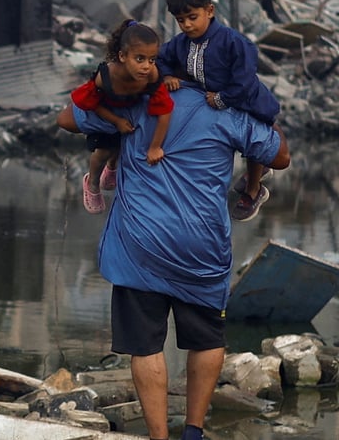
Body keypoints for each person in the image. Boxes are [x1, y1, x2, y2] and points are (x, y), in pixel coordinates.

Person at [55, 85, 290, 440]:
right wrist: (255, 100)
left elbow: (66, 118)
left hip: (140, 244)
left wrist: (113, 83)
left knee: (145, 344)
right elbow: (281, 156)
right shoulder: (226, 108)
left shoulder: (137, 98)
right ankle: (193, 431)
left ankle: (159, 437)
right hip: (202, 247)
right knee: (206, 339)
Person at [157, 0, 281, 222]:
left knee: (253, 143)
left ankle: (254, 190)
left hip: (248, 101)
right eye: (181, 20)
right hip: (208, 102)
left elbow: (244, 81)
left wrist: (223, 99)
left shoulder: (234, 42)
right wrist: (168, 75)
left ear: (209, 11)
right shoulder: (181, 43)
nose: (187, 25)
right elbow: (161, 58)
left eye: (192, 17)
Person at [67, 19, 174, 214]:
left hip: (128, 110)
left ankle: (112, 169)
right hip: (107, 112)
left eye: (152, 60)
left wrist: (155, 147)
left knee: (121, 145)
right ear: (122, 56)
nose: (146, 66)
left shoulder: (151, 75)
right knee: (103, 151)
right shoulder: (107, 75)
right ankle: (91, 182)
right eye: (139, 59)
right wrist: (115, 120)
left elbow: (164, 109)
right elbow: (91, 103)